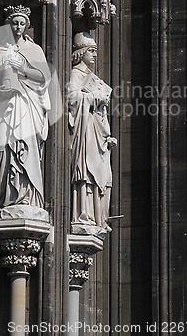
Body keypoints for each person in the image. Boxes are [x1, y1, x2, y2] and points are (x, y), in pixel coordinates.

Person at [0, 6, 51, 208]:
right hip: (6, 107)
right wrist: (0, 90)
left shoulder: (34, 50)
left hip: (28, 104)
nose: (18, 27)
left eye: (22, 23)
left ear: (27, 26)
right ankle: (9, 195)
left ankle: (27, 194)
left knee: (27, 147)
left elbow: (44, 77)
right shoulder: (0, 51)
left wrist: (23, 69)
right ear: (8, 25)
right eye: (14, 22)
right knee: (5, 149)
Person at [68, 32, 117, 231]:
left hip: (97, 135)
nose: (95, 56)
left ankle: (98, 218)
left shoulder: (92, 78)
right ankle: (84, 215)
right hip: (85, 133)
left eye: (96, 51)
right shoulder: (75, 74)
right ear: (82, 52)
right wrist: (96, 98)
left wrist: (107, 135)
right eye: (92, 51)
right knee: (87, 173)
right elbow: (72, 99)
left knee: (104, 175)